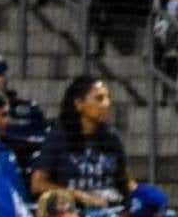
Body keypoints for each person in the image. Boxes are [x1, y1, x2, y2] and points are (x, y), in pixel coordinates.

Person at [31, 76, 135, 208]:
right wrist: (77, 195)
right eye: (99, 98)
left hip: (112, 211)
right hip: (74, 214)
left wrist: (144, 196)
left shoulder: (112, 138)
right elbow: (38, 184)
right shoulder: (59, 138)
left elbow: (127, 182)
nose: (106, 104)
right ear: (79, 104)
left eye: (107, 98)